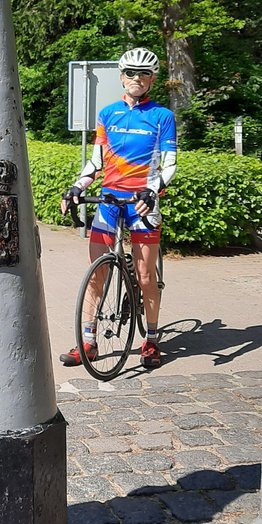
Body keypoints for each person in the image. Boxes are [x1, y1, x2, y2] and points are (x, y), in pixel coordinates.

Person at [60, 47, 177, 369]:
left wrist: (152, 189)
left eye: (143, 74)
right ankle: (88, 341)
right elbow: (96, 161)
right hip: (109, 201)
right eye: (130, 73)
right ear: (122, 77)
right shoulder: (108, 114)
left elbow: (169, 164)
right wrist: (77, 187)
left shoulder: (162, 116)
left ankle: (151, 340)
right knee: (96, 273)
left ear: (152, 79)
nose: (136, 78)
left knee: (145, 276)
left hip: (142, 203)